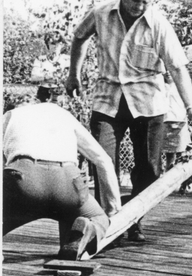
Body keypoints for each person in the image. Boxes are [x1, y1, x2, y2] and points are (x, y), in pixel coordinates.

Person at [65, 0, 192, 244]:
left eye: (146, 2)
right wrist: (73, 74)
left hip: (148, 103)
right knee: (102, 162)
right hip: (108, 99)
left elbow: (177, 68)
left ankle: (134, 220)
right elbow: (79, 37)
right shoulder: (101, 13)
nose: (139, 6)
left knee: (150, 169)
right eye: (134, 0)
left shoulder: (159, 25)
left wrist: (191, 107)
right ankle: (108, 222)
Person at [3, 90, 122, 260]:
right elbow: (104, 161)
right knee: (97, 218)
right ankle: (86, 230)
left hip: (25, 180)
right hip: (67, 184)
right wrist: (113, 209)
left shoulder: (9, 116)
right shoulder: (61, 113)